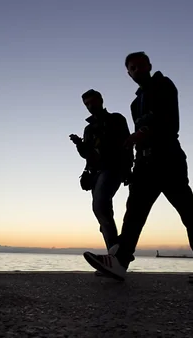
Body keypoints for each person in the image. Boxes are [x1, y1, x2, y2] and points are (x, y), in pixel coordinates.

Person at [83, 52, 193, 284]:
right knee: (133, 215)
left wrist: (142, 133)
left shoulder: (163, 85)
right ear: (128, 73)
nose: (136, 70)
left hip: (168, 159)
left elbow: (168, 120)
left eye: (139, 66)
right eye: (131, 68)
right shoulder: (135, 103)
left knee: (187, 210)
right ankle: (120, 263)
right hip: (144, 164)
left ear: (149, 65)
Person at [69, 89, 133, 260]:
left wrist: (128, 168)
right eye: (86, 104)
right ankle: (114, 255)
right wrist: (79, 144)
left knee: (100, 205)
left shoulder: (116, 119)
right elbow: (87, 154)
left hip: (113, 168)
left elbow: (127, 143)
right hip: (95, 173)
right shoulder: (88, 129)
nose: (90, 106)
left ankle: (117, 251)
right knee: (101, 211)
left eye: (92, 102)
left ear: (101, 100)